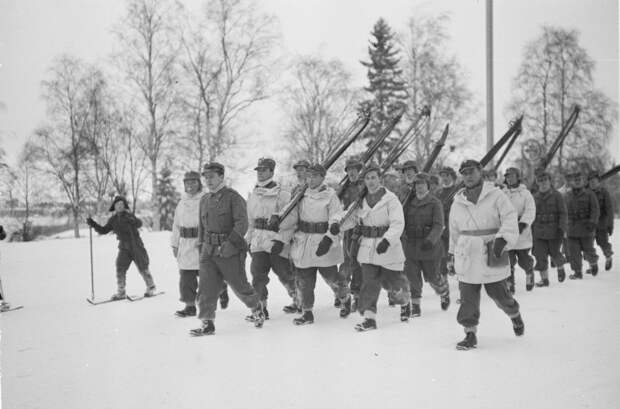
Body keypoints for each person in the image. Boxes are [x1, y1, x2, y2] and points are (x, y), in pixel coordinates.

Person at [449, 159, 524, 350]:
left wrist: (503, 239)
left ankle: (514, 314)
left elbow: (509, 218)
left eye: (471, 171)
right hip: (466, 253)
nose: (468, 175)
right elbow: (454, 230)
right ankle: (470, 334)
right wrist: (451, 255)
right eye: (464, 172)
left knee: (500, 295)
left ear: (480, 171)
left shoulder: (496, 195)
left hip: (492, 249)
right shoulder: (457, 201)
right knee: (467, 297)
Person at [189, 162, 265, 336]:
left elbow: (242, 223)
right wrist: (201, 247)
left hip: (229, 250)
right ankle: (207, 323)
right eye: (206, 177)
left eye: (212, 177)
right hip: (208, 251)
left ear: (221, 177)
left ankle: (256, 308)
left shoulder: (233, 197)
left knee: (239, 285)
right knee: (206, 287)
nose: (208, 180)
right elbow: (202, 226)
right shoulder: (205, 199)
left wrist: (229, 245)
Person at [275, 164, 352, 325]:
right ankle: (307, 313)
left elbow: (336, 217)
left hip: (323, 242)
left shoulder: (330, 195)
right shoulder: (301, 195)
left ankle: (345, 298)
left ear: (322, 178)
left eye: (314, 176)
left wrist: (329, 238)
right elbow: (292, 217)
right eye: (308, 176)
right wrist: (279, 224)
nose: (310, 180)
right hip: (303, 241)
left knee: (332, 277)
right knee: (304, 280)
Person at [337, 166, 410, 331]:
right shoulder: (361, 200)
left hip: (388, 247)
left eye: (373, 177)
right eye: (367, 178)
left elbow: (398, 223)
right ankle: (369, 319)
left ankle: (405, 301)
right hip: (368, 247)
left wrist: (387, 240)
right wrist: (338, 226)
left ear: (380, 179)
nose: (370, 181)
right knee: (369, 282)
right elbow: (349, 218)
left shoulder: (391, 199)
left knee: (392, 283)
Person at [246, 158, 299, 319]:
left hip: (276, 240)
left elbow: (291, 219)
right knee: (257, 274)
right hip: (258, 241)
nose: (260, 172)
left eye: (264, 169)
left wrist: (281, 239)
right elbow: (251, 221)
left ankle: (299, 298)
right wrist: (249, 240)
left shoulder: (282, 193)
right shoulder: (254, 193)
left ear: (271, 171)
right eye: (258, 170)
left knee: (284, 273)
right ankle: (261, 307)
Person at [171, 171, 229, 318]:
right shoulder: (181, 203)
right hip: (185, 244)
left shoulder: (206, 199)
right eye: (187, 182)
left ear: (199, 183)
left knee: (208, 276)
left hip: (202, 242)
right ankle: (190, 306)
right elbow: (176, 225)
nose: (190, 185)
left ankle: (222, 289)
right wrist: (175, 244)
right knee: (186, 276)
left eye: (193, 182)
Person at [86, 196, 156, 300]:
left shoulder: (129, 215)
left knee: (143, 266)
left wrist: (133, 220)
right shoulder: (113, 220)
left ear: (124, 206)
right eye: (117, 204)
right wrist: (93, 224)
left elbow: (139, 223)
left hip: (136, 245)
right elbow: (104, 230)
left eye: (122, 204)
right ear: (114, 206)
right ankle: (121, 292)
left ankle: (151, 288)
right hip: (124, 247)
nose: (120, 206)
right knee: (120, 267)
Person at [402, 172, 450, 320]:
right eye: (417, 184)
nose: (419, 187)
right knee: (412, 277)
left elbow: (438, 225)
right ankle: (415, 305)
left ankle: (443, 292)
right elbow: (401, 221)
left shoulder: (435, 202)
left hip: (430, 247)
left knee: (432, 277)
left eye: (422, 184)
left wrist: (430, 240)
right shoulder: (408, 203)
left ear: (427, 185)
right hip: (411, 246)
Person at [337, 157, 365, 311]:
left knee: (358, 262)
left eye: (354, 169)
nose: (352, 172)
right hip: (347, 228)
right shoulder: (344, 187)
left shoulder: (364, 185)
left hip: (361, 228)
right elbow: (337, 204)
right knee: (346, 261)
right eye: (349, 169)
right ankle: (342, 293)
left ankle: (358, 296)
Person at [531, 171, 568, 286]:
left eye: (545, 180)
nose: (543, 183)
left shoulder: (557, 195)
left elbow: (563, 213)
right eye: (540, 180)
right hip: (539, 231)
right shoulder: (534, 197)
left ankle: (560, 268)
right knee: (540, 255)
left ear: (549, 181)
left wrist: (562, 228)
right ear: (537, 182)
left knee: (555, 253)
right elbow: (531, 215)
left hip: (554, 231)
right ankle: (544, 279)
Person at [503, 167, 536, 292]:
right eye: (507, 176)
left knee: (523, 259)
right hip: (507, 230)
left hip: (521, 231)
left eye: (511, 175)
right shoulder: (503, 193)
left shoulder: (525, 193)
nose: (509, 178)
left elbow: (530, 210)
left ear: (517, 177)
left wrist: (523, 223)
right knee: (508, 261)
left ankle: (529, 273)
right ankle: (510, 284)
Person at [565, 169, 599, 279]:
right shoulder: (567, 195)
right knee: (573, 252)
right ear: (571, 182)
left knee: (589, 250)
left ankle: (593, 264)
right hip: (572, 228)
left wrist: (593, 222)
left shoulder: (590, 194)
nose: (577, 181)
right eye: (575, 180)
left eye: (579, 179)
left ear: (583, 181)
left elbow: (595, 209)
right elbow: (562, 211)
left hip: (586, 227)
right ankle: (577, 272)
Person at [435, 166, 459, 278]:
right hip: (441, 227)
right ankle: (444, 283)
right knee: (441, 254)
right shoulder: (438, 193)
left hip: (455, 226)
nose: (444, 178)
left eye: (447, 175)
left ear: (452, 176)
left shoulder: (458, 191)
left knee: (458, 252)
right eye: (442, 176)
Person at [588, 171, 614, 271]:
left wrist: (610, 224)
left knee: (603, 243)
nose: (592, 184)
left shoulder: (604, 193)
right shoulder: (586, 193)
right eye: (590, 182)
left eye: (594, 181)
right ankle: (592, 265)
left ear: (598, 182)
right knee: (588, 245)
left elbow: (609, 209)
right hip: (589, 224)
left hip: (602, 223)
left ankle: (608, 257)